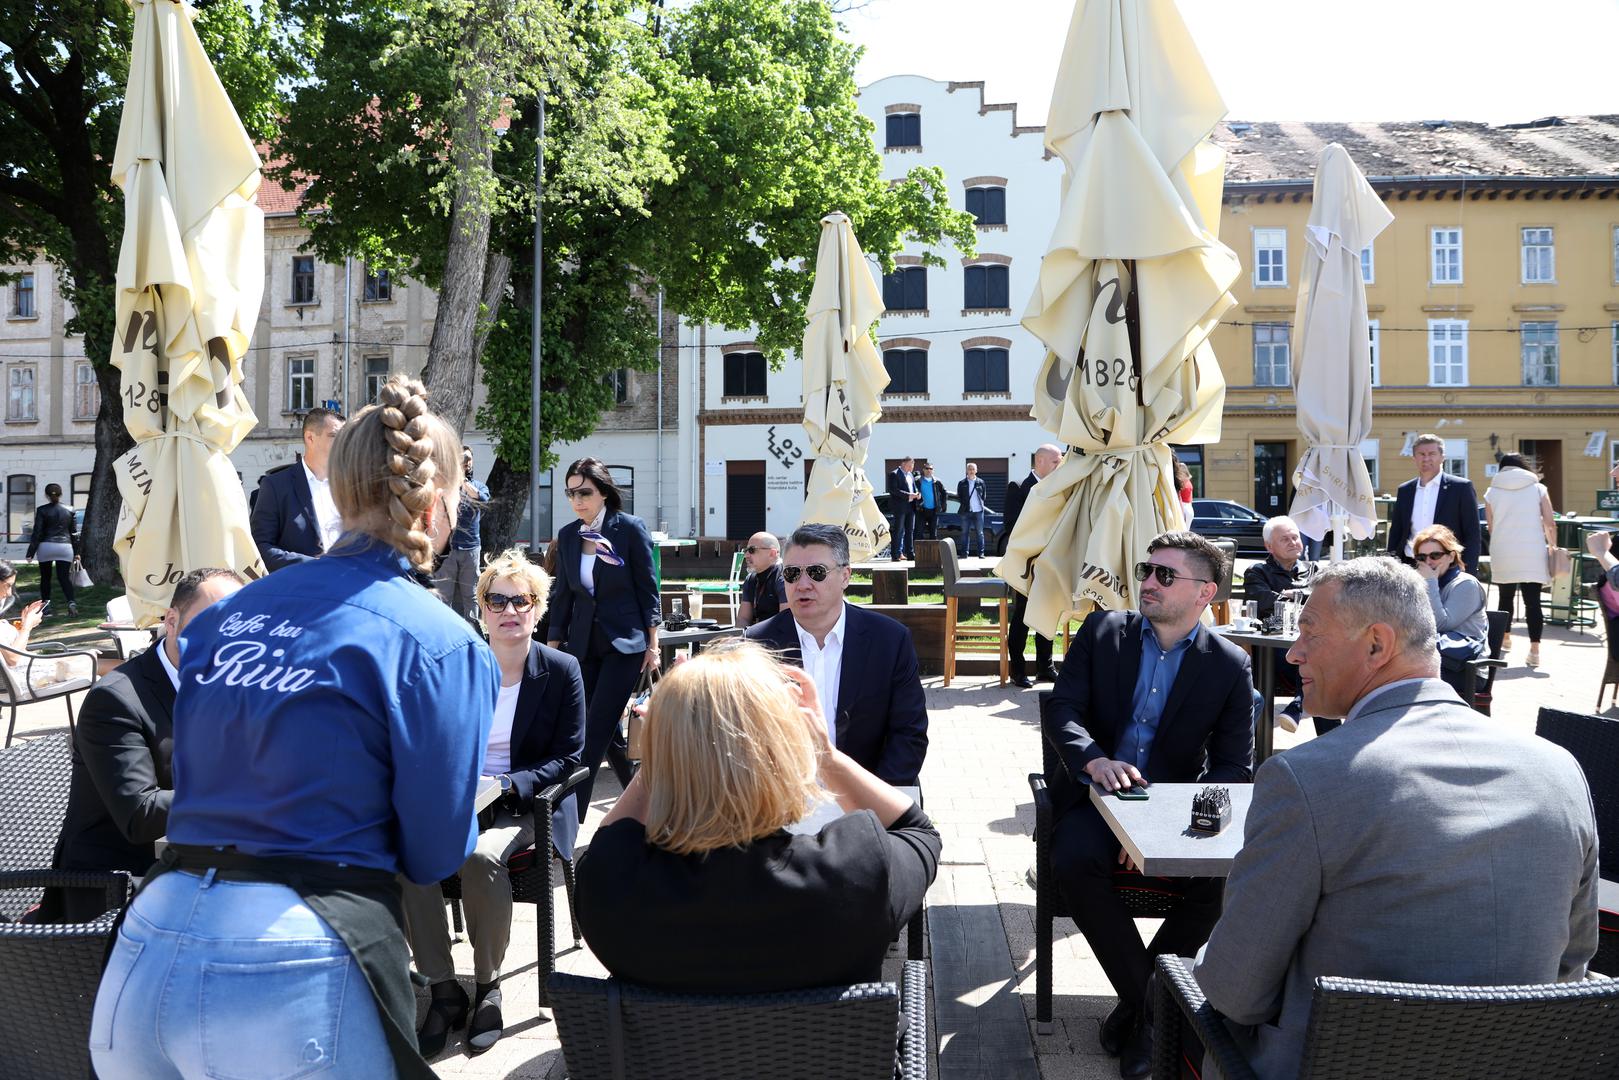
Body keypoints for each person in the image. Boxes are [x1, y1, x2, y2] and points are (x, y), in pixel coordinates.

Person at [90, 377, 496, 1080]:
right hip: (290, 956)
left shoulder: (221, 619)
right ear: (436, 505)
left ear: (338, 494)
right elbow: (433, 854)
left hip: (149, 943)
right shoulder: (443, 642)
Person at [1192, 557, 1598, 1080]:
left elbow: (1235, 991)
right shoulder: (1559, 768)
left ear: (1377, 646)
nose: (1292, 653)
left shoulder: (1305, 778)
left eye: (1308, 632)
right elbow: (1573, 965)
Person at [576, 641, 941, 992]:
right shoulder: (855, 870)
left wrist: (668, 742)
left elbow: (605, 847)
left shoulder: (612, 885)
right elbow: (917, 831)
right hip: (829, 1054)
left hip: (672, 1055)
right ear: (785, 754)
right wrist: (825, 754)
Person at [1042, 531, 1254, 1079]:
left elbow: (1233, 768)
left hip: (1169, 807)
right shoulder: (1104, 630)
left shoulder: (1229, 664)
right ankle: (1158, 1015)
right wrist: (1093, 760)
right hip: (1094, 796)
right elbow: (1063, 708)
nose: (1147, 583)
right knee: (1074, 861)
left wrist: (1164, 831)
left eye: (1165, 575)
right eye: (1145, 571)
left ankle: (1140, 1013)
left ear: (1205, 593)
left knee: (1214, 883)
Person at [401, 548, 584, 1057]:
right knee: (408, 857)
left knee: (479, 858)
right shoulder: (458, 667)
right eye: (496, 600)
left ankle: (487, 985)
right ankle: (442, 989)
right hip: (457, 796)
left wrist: (509, 783)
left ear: (537, 608)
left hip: (525, 803)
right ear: (480, 608)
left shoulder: (561, 669)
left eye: (520, 600)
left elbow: (570, 756)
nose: (509, 610)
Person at [46, 568, 245, 923]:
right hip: (116, 892)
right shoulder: (117, 700)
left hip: (201, 866)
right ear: (171, 621)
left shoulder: (233, 685)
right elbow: (140, 815)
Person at [746, 524, 928, 785]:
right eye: (792, 573)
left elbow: (909, 735)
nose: (803, 584)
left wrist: (871, 805)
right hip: (783, 802)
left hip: (870, 794)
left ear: (845, 576)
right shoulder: (756, 644)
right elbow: (743, 738)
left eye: (817, 573)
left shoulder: (889, 641)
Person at [546, 457, 659, 823]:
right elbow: (563, 595)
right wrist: (552, 645)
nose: (577, 500)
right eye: (571, 493)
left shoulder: (628, 529)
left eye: (585, 492)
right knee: (603, 731)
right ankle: (649, 803)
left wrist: (653, 643)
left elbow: (648, 589)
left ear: (604, 493)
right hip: (582, 646)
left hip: (625, 644)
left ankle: (567, 822)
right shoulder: (567, 536)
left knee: (592, 733)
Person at [1242, 516, 1320, 734]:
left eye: (1295, 537)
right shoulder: (1258, 571)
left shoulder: (1313, 570)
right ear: (1269, 546)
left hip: (1309, 644)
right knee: (1314, 665)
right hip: (1273, 650)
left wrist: (1291, 594)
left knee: (1318, 660)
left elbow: (1325, 599)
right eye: (1285, 539)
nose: (1293, 542)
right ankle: (1301, 709)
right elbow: (1262, 599)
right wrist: (1303, 597)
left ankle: (1298, 707)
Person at [249, 406, 346, 571]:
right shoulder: (276, 485)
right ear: (310, 438)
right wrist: (313, 566)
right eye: (334, 436)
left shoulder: (350, 485)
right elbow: (260, 547)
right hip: (299, 590)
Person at [1484, 453, 1555, 667]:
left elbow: (1491, 526)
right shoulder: (1538, 488)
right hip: (1532, 549)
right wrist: (1552, 546)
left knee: (1505, 598)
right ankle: (1534, 651)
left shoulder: (1491, 492)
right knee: (1533, 602)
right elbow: (1550, 523)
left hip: (1503, 549)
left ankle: (1505, 638)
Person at [1005, 444, 1063, 685]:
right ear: (1040, 461)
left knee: (1046, 612)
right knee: (1022, 614)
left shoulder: (1059, 488)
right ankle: (1017, 670)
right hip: (1026, 563)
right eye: (1055, 462)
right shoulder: (1018, 487)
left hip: (1051, 562)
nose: (1060, 466)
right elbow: (1011, 526)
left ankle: (1045, 667)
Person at [1386, 432, 1481, 572]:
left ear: (1442, 457)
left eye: (1432, 454)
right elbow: (1396, 533)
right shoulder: (1405, 490)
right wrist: (1391, 567)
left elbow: (1472, 534)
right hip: (1410, 566)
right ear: (1414, 457)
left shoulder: (1460, 488)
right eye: (1421, 454)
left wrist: (1468, 572)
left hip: (1447, 567)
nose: (1426, 458)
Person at [1412, 524, 1487, 695]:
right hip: (1432, 660)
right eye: (1421, 557)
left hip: (1465, 668)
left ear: (1451, 556)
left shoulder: (1466, 584)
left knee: (1398, 682)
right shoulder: (1422, 582)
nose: (1428, 562)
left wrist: (1430, 583)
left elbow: (1441, 624)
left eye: (1435, 555)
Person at [0, 559, 93, 688]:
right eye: (8, 585)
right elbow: (13, 659)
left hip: (30, 670)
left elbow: (15, 652)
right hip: (27, 677)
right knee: (97, 663)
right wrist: (26, 627)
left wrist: (25, 624)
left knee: (91, 660)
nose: (10, 593)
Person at [433, 446, 490, 624]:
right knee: (442, 595)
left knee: (471, 595)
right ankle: (442, 631)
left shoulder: (478, 486)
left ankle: (474, 633)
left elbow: (483, 499)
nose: (466, 463)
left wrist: (463, 480)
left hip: (471, 548)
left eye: (468, 460)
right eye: (462, 460)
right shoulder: (446, 486)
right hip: (447, 550)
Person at [26, 482, 80, 615]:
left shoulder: (42, 510)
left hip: (46, 546)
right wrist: (77, 552)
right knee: (64, 577)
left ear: (46, 495)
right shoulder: (70, 510)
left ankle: (46, 607)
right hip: (65, 546)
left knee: (46, 578)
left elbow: (37, 532)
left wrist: (30, 552)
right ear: (61, 494)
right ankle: (71, 602)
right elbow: (74, 533)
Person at [736, 531, 787, 627]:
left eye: (752, 550)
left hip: (779, 638)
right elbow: (743, 619)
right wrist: (740, 640)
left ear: (772, 553)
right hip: (756, 636)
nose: (746, 555)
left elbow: (785, 622)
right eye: (746, 550)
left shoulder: (784, 578)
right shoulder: (751, 579)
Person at [886, 455, 920, 561]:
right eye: (910, 465)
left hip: (911, 506)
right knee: (899, 530)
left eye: (913, 465)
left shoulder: (911, 475)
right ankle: (895, 554)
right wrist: (909, 495)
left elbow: (913, 487)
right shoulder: (894, 474)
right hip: (900, 506)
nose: (911, 468)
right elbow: (893, 490)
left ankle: (910, 553)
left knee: (910, 530)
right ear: (903, 464)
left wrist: (917, 494)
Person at [955, 462, 990, 558]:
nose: (971, 471)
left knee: (980, 533)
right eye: (969, 469)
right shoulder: (962, 483)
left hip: (978, 511)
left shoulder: (981, 482)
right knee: (965, 533)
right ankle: (964, 554)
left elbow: (983, 496)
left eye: (973, 469)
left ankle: (981, 553)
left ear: (976, 471)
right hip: (966, 511)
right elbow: (959, 497)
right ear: (966, 471)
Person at [915, 462, 948, 540]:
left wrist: (943, 506)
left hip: (934, 510)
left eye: (931, 469)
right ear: (923, 470)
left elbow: (944, 493)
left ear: (933, 470)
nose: (929, 470)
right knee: (919, 533)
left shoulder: (937, 481)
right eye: (927, 468)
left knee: (933, 533)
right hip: (921, 510)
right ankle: (919, 552)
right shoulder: (918, 481)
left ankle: (933, 552)